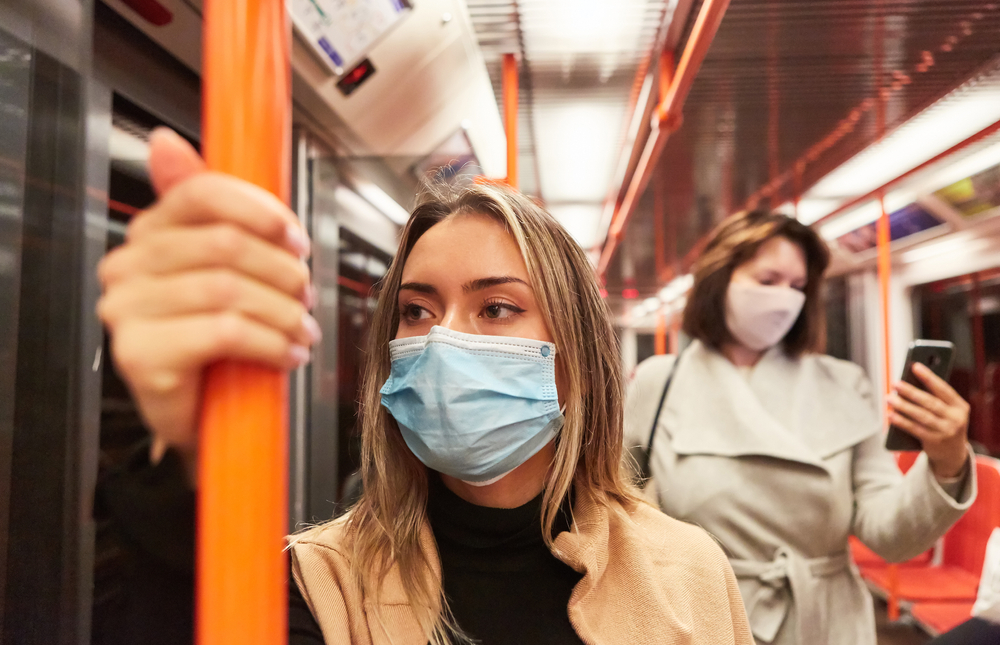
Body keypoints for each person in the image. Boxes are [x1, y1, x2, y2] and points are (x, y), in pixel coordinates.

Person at [95, 128, 754, 645]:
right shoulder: (323, 583)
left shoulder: (687, 570)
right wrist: (187, 461)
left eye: (495, 307)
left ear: (574, 353)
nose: (440, 339)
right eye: (417, 311)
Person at [624, 210, 976, 645]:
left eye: (797, 287)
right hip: (702, 613)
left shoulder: (844, 384)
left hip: (825, 621)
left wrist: (947, 461)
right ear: (720, 281)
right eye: (767, 280)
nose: (784, 299)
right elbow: (610, 504)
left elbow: (891, 535)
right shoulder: (660, 382)